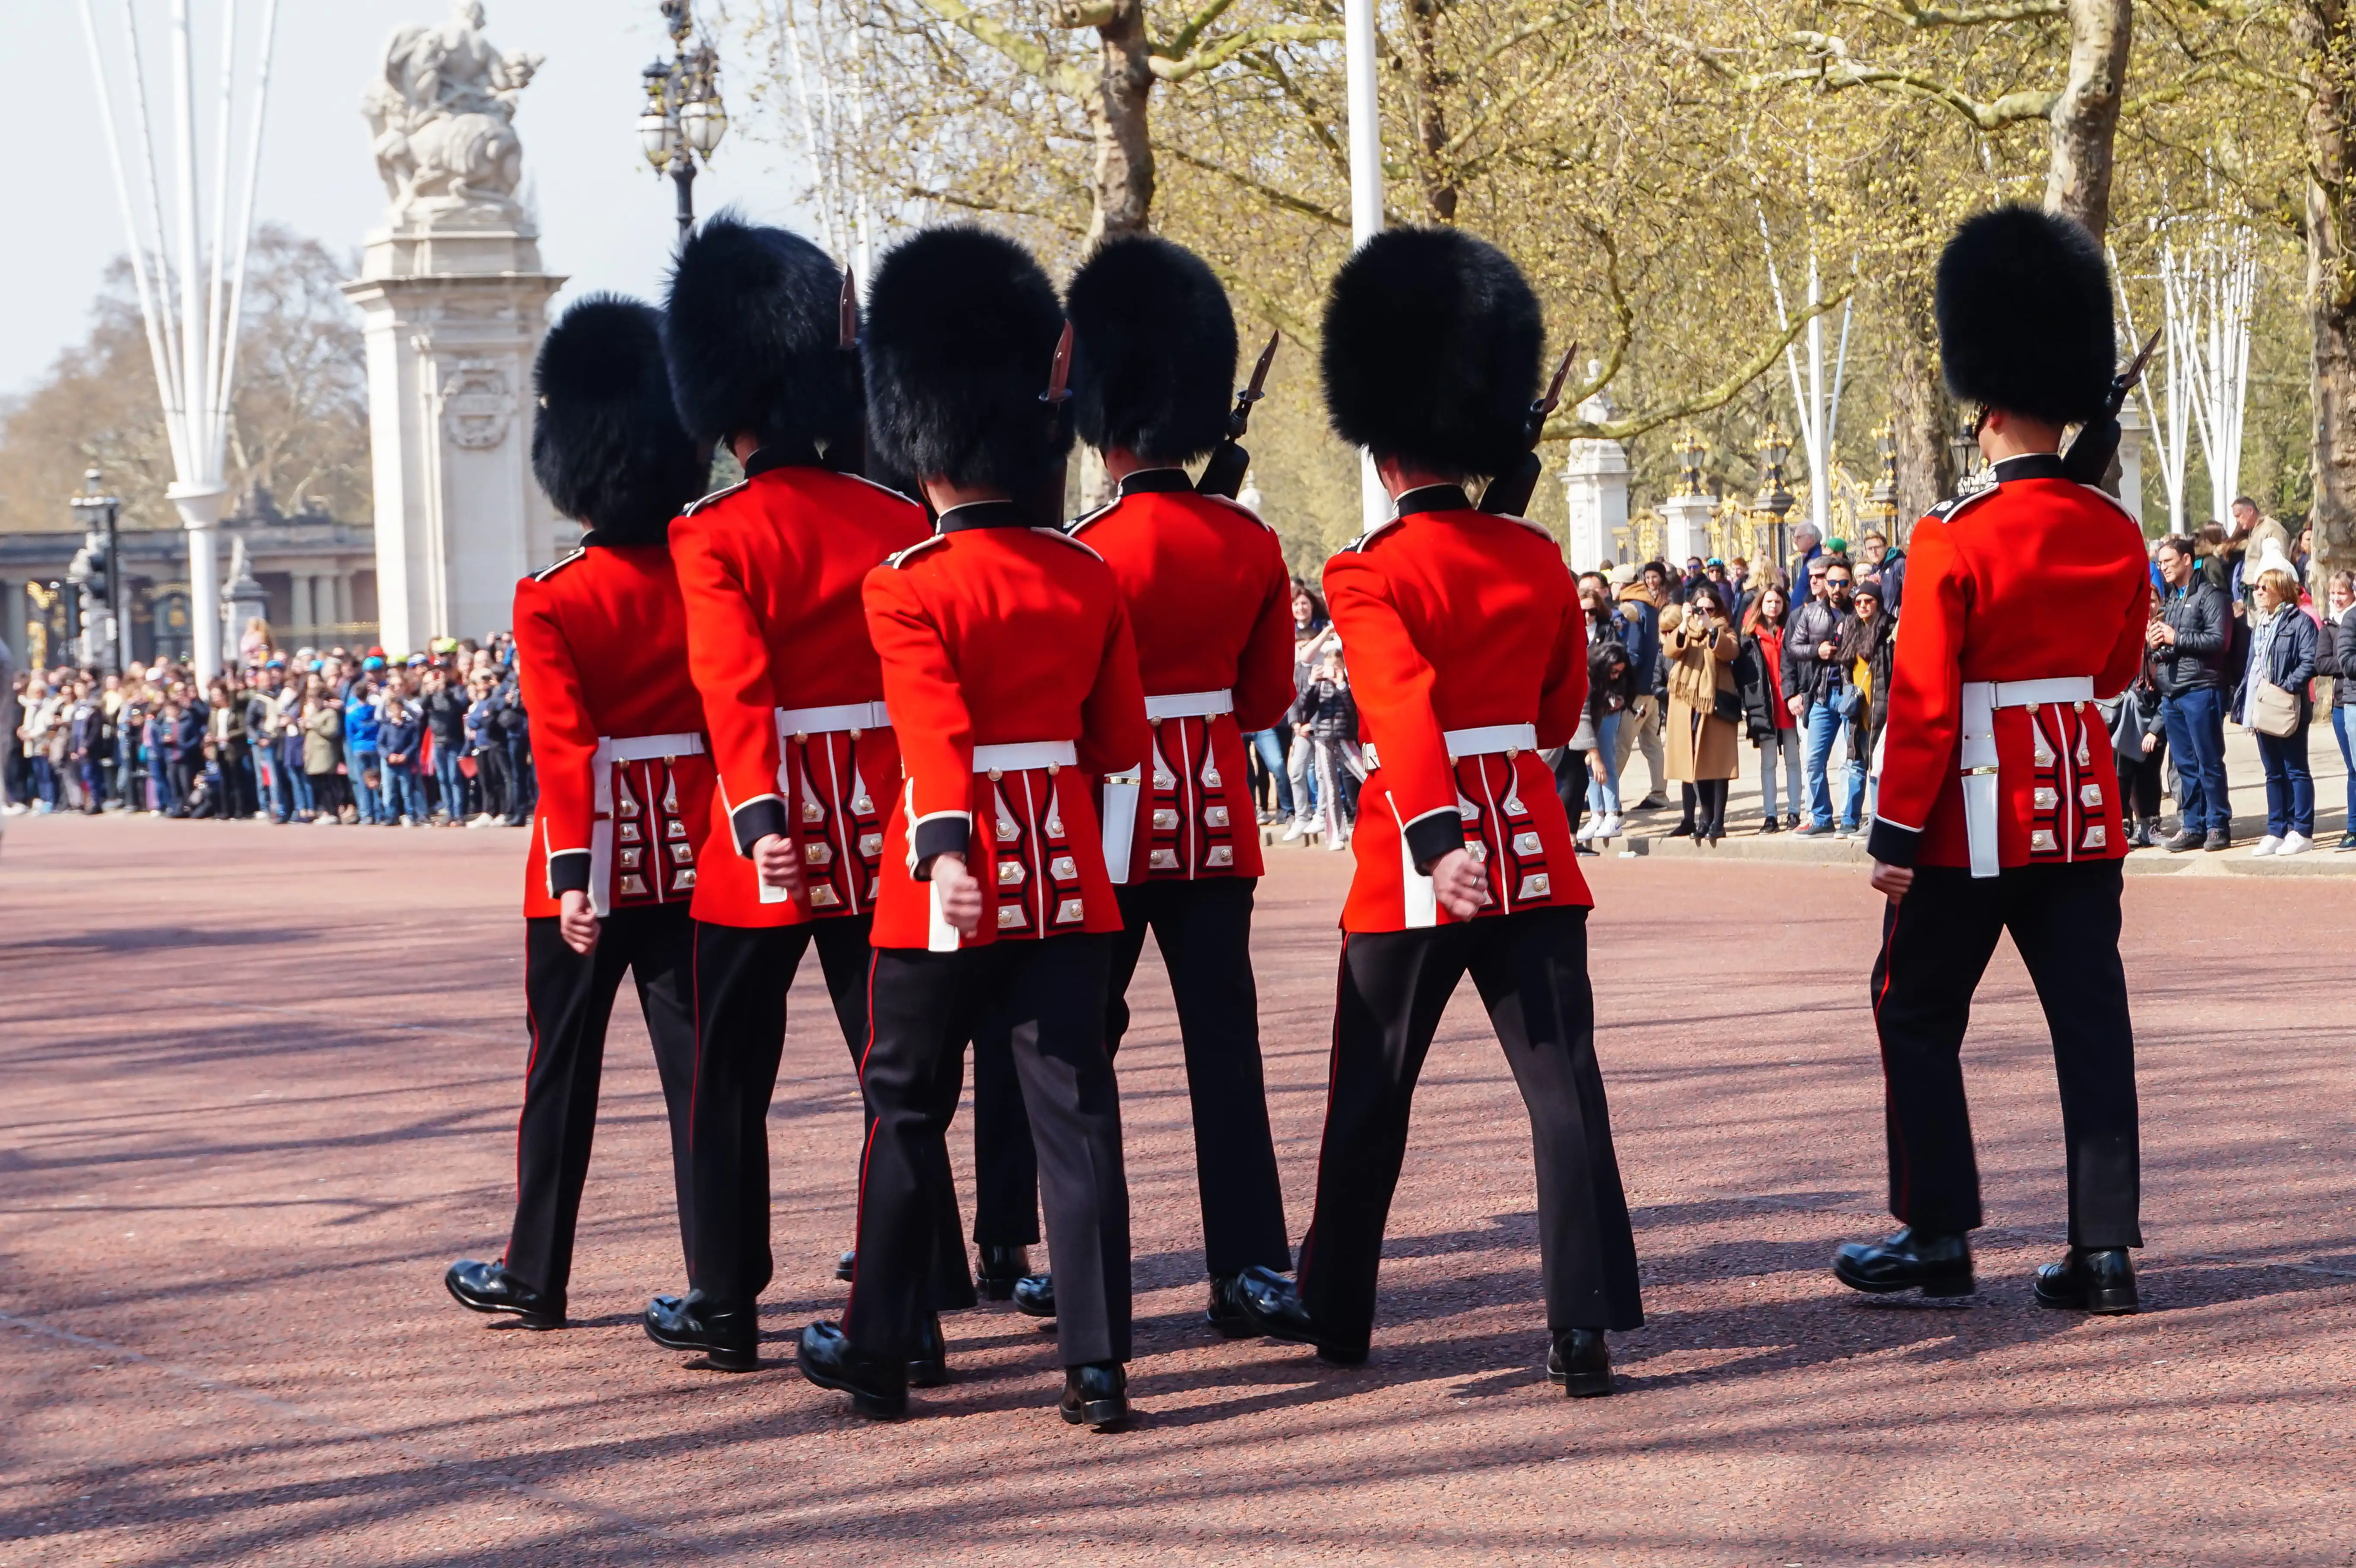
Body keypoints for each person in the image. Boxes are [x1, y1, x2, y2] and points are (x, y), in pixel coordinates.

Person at [1230, 225, 1642, 1397]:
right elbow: (1561, 715)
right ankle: (1583, 1322)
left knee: (1372, 1092)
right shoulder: (1537, 558)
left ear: (1384, 444)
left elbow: (1400, 707)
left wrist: (1437, 839)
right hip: (1533, 844)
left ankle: (1340, 1308)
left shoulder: (1369, 571)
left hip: (1421, 854)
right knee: (1562, 1086)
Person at [788, 225, 1149, 1430]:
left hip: (941, 886)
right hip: (1065, 879)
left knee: (904, 1108)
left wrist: (944, 850)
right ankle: (1096, 1365)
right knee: (1075, 1115)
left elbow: (932, 726)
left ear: (918, 435)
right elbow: (1122, 750)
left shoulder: (903, 580)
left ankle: (883, 1343)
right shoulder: (1084, 576)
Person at [1838, 204, 2151, 1317]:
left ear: (1983, 408)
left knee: (1913, 1007)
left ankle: (1934, 1235)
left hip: (1967, 815)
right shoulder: (2114, 531)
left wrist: (1892, 833)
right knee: (2090, 1022)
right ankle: (2102, 1250)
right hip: (2077, 811)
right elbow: (2113, 674)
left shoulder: (1951, 533)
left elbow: (1922, 699)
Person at [651, 214, 949, 1371]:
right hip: (885, 821)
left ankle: (726, 1303)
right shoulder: (893, 518)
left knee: (726, 1080)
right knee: (896, 1079)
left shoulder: (713, 532)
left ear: (725, 407)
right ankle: (907, 1309)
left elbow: (732, 684)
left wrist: (764, 818)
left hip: (760, 839)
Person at [991, 234, 1296, 1335]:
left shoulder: (1084, 549)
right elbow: (1264, 704)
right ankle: (1249, 1261)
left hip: (1105, 818)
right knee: (1226, 1042)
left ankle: (1079, 1263)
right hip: (1215, 816)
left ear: (1105, 419)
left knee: (1078, 1049)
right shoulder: (1246, 544)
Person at [444, 295, 716, 1335]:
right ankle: (717, 1271)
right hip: (697, 852)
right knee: (700, 1077)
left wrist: (575, 877)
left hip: (588, 858)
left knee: (560, 1068)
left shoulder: (554, 595)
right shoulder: (706, 572)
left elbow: (563, 745)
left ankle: (536, 1268)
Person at [2150, 534, 2232, 851]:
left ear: (2187, 560)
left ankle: (2217, 825)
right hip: (2173, 692)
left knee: (2208, 761)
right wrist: (2156, 646)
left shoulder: (2211, 595)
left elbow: (2218, 642)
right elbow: (2172, 645)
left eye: (2168, 562)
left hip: (2202, 688)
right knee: (2184, 766)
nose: (2163, 568)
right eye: (2160, 563)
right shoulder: (2173, 598)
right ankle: (2192, 824)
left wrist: (2175, 637)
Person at [2236, 555, 2318, 856]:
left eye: (2263, 588)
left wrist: (2285, 687)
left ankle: (2302, 829)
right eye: (2256, 588)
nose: (2257, 592)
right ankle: (2277, 829)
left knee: (2295, 769)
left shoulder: (2301, 622)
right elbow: (2251, 666)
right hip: (2261, 704)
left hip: (2288, 704)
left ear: (2280, 590)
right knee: (2272, 772)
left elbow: (2310, 661)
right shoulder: (2260, 624)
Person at [1785, 556, 1860, 835]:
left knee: (1852, 759)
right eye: (1832, 583)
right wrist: (1818, 651)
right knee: (1814, 760)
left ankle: (1851, 819)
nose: (1837, 588)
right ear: (1825, 585)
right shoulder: (1811, 612)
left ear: (1851, 584)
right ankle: (1821, 818)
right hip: (1820, 694)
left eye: (1843, 583)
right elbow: (1794, 647)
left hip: (1850, 694)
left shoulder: (1859, 611)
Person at [1662, 585, 1739, 842]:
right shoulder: (1685, 630)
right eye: (1699, 608)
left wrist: (1711, 628)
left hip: (1714, 705)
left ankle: (1718, 822)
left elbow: (1730, 651)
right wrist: (1684, 623)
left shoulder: (1724, 629)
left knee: (1717, 765)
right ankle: (1704, 821)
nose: (1703, 613)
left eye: (1709, 609)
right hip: (1688, 706)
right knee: (1696, 767)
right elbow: (1670, 651)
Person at [1739, 582, 1801, 831]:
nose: (1774, 606)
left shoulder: (1793, 627)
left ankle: (1795, 811)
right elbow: (1743, 672)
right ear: (1760, 604)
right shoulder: (1750, 633)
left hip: (1789, 701)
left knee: (1794, 761)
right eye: (1769, 601)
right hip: (1764, 704)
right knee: (1768, 763)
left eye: (1778, 601)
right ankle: (1770, 815)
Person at [1609, 563, 1668, 810]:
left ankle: (1607, 795)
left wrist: (1617, 681)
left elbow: (1632, 653)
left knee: (1622, 743)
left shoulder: (1631, 607)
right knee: (1652, 742)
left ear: (1621, 585)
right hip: (1651, 687)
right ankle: (1659, 793)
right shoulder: (1649, 605)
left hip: (1638, 692)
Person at [1839, 579, 1898, 823]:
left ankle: (1876, 820)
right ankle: (1850, 819)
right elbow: (1845, 666)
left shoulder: (1889, 631)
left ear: (1878, 603)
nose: (1863, 606)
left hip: (1882, 707)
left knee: (1878, 767)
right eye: (1859, 602)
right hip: (1858, 708)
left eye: (1869, 601)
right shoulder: (1852, 627)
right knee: (1856, 763)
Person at [2103, 653, 2169, 847]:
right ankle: (2122, 827)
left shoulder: (2156, 653)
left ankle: (2149, 827)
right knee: (2119, 774)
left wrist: (2156, 729)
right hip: (2116, 719)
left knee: (2148, 773)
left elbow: (2169, 694)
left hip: (2149, 721)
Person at [2318, 570, 2356, 849]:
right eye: (2333, 593)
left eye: (2341, 592)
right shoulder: (2331, 625)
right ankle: (2353, 827)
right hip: (2344, 703)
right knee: (2353, 768)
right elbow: (2322, 663)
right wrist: (2343, 665)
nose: (2336, 598)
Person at [1859, 529, 1906, 618]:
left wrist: (1898, 613)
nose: (1874, 552)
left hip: (1897, 621)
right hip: (1880, 621)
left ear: (1886, 547)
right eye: (1870, 549)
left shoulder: (1900, 564)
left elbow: (1910, 593)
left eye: (1877, 547)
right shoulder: (1875, 569)